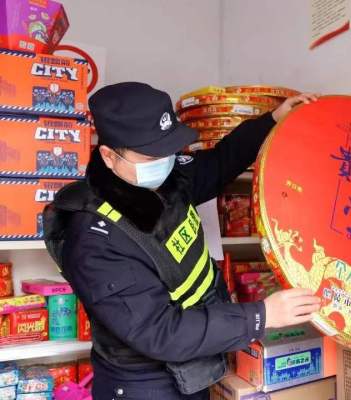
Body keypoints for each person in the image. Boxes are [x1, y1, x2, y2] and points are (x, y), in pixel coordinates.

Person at [42, 82, 321, 400]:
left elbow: (221, 162)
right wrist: (261, 316)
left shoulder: (166, 177)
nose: (165, 161)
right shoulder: (95, 241)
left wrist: (271, 120)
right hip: (145, 384)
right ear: (109, 156)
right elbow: (161, 331)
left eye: (169, 150)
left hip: (195, 361)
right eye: (152, 155)